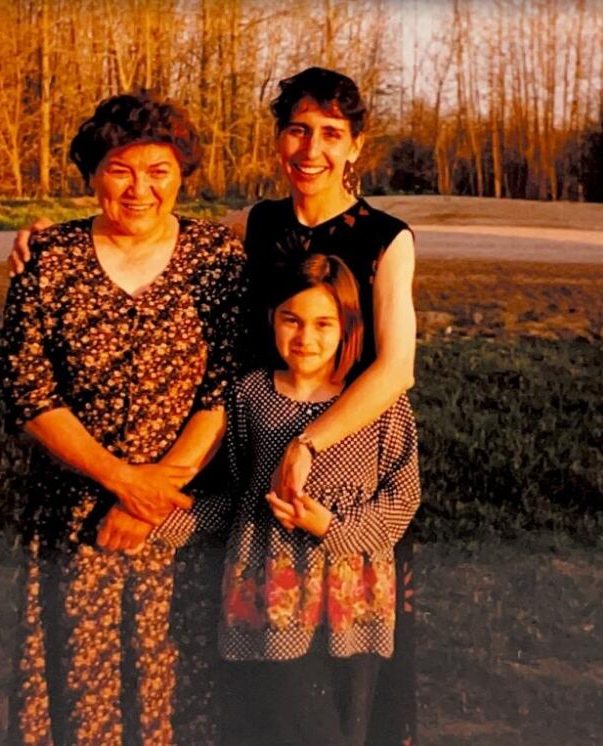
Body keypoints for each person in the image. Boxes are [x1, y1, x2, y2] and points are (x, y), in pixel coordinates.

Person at [8, 66, 418, 744]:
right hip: (256, 454)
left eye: (330, 134)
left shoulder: (385, 236)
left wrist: (308, 444)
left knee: (350, 677)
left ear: (355, 147)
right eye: (296, 130)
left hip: (344, 471)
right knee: (259, 674)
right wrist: (49, 231)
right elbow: (151, 225)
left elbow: (395, 368)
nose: (310, 149)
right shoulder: (248, 228)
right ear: (278, 139)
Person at [0, 91, 247, 745]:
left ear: (182, 176)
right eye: (120, 169)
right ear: (92, 175)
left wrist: (153, 494)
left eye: (159, 170)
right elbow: (28, 391)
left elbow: (224, 388)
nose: (141, 188)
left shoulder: (219, 262)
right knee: (83, 696)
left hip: (182, 513)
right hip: (77, 513)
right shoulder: (47, 261)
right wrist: (120, 481)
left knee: (182, 685)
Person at [148, 253, 420, 746]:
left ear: (348, 326)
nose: (305, 338)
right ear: (271, 318)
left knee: (344, 723)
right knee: (276, 719)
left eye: (323, 323)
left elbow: (403, 496)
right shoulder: (249, 394)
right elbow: (237, 497)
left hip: (351, 595)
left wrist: (332, 530)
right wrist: (158, 520)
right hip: (267, 592)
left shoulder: (377, 399)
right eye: (291, 320)